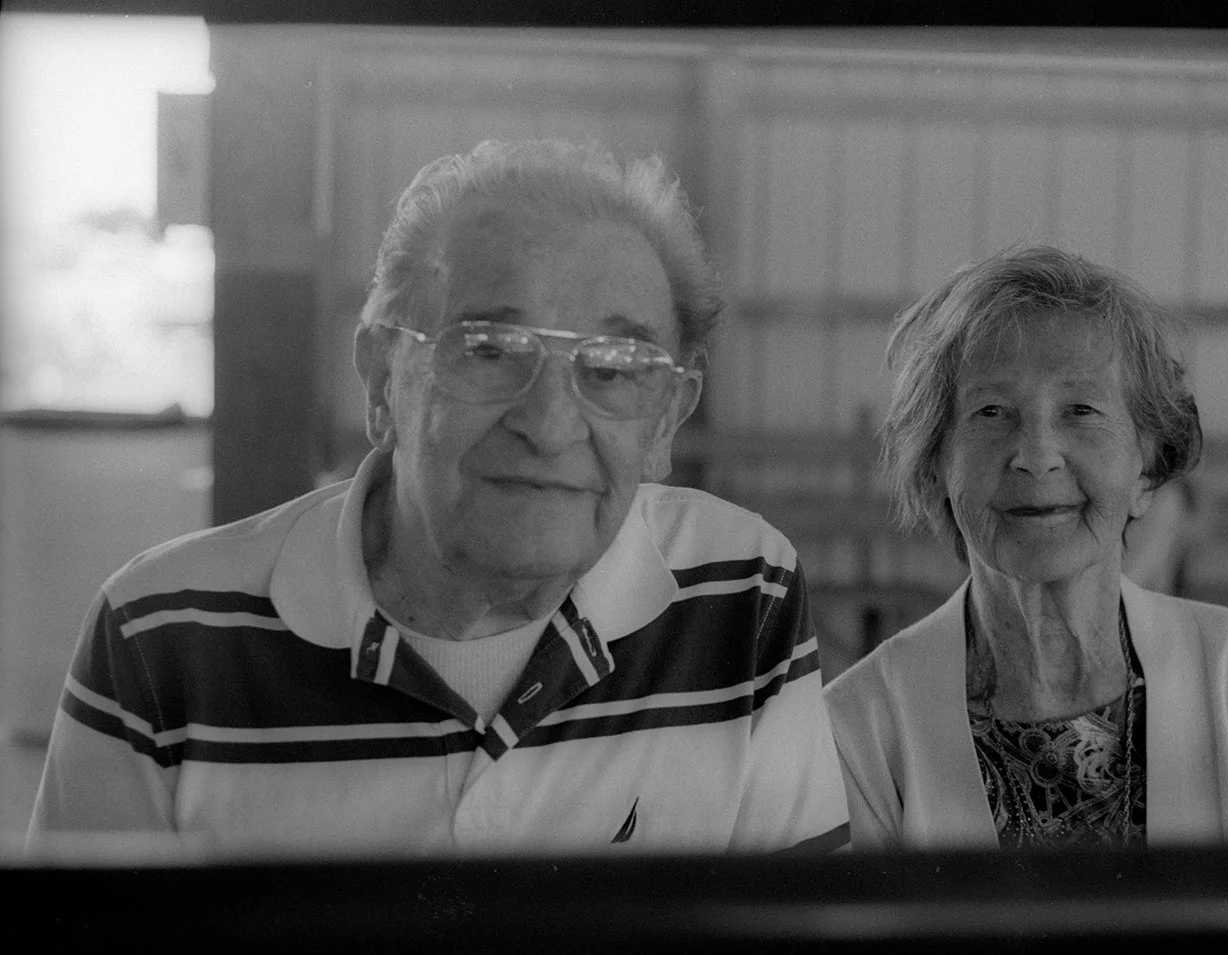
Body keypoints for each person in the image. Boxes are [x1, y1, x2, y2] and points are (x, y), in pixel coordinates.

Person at [30, 140, 849, 855]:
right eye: (489, 350)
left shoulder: (742, 592)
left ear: (667, 416)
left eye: (613, 368)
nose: (549, 424)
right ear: (382, 381)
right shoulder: (161, 635)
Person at [824, 246, 1228, 849]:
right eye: (991, 412)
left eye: (1080, 410)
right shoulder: (859, 727)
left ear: (1146, 470)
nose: (1036, 455)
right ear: (934, 472)